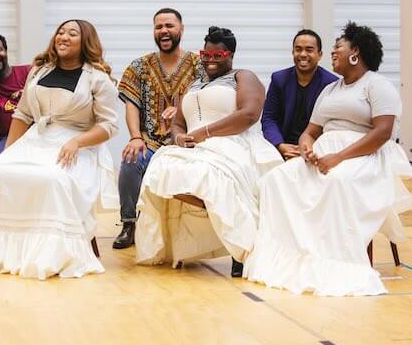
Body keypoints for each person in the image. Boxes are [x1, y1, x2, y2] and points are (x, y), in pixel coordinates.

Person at [244, 22, 412, 296]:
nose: (334, 52)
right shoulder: (331, 90)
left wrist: (338, 157)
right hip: (323, 153)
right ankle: (296, 254)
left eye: (338, 47)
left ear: (355, 52)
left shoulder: (377, 85)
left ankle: (333, 261)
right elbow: (310, 132)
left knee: (336, 183)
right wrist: (307, 148)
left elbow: (382, 132)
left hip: (362, 154)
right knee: (275, 180)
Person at [0, 19, 119, 279]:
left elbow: (108, 126)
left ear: (85, 40)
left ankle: (48, 253)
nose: (63, 37)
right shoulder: (40, 70)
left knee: (53, 178)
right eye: (60, 32)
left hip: (78, 144)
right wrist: (8, 153)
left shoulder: (98, 79)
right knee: (1, 171)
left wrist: (77, 142)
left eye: (72, 34)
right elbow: (23, 114)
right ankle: (2, 252)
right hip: (37, 138)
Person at [135, 27, 282, 277]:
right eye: (206, 54)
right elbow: (179, 122)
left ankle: (244, 245)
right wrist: (179, 136)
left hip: (232, 143)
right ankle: (203, 235)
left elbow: (248, 115)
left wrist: (205, 133)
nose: (211, 60)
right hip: (194, 147)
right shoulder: (195, 84)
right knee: (160, 171)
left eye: (218, 54)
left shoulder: (243, 76)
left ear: (231, 54)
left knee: (212, 179)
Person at [114, 8, 203, 249]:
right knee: (131, 159)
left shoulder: (198, 64)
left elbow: (207, 99)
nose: (164, 31)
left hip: (187, 142)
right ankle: (129, 223)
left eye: (169, 26)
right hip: (151, 141)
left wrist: (183, 110)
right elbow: (131, 104)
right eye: (159, 27)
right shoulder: (140, 66)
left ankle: (194, 232)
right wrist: (135, 137)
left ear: (181, 29)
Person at [262, 29, 338, 159]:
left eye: (309, 50)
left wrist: (311, 148)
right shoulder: (279, 79)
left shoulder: (331, 83)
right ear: (293, 52)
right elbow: (269, 118)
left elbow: (331, 124)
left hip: (316, 148)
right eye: (298, 49)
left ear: (319, 54)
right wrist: (279, 145)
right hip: (284, 145)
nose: (303, 54)